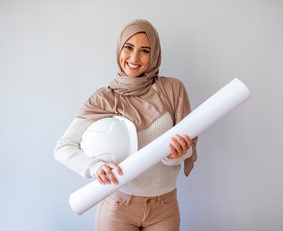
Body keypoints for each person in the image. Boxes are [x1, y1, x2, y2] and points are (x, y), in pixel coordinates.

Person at [54, 19, 197, 231]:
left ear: (154, 54)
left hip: (164, 208)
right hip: (117, 207)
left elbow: (190, 143)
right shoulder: (103, 98)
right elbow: (64, 147)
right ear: (119, 48)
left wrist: (178, 154)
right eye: (128, 47)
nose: (134, 57)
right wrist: (95, 168)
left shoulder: (172, 90)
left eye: (145, 50)